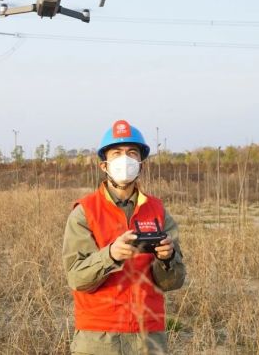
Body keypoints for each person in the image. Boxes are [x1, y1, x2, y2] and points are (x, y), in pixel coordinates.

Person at [62, 119, 186, 355]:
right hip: (98, 337)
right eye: (117, 153)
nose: (125, 159)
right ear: (104, 165)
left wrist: (167, 259)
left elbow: (174, 282)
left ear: (141, 163)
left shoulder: (158, 211)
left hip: (148, 336)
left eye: (131, 153)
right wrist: (110, 255)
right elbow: (76, 278)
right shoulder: (84, 212)